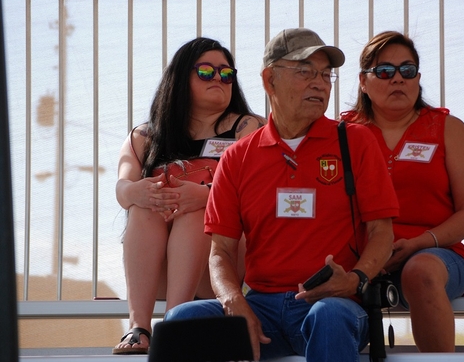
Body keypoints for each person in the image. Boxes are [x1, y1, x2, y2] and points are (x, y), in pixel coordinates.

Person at [164, 28, 400, 362]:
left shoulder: (356, 141)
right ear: (269, 79)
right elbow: (220, 252)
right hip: (262, 307)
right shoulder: (238, 156)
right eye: (305, 72)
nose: (320, 83)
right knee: (180, 321)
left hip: (333, 304)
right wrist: (235, 302)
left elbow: (381, 231)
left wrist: (355, 279)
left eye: (325, 74)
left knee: (329, 316)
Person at [113, 37, 265, 355]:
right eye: (207, 71)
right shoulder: (144, 137)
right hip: (162, 266)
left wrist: (208, 195)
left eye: (226, 74)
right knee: (143, 206)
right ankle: (139, 326)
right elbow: (122, 187)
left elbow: (257, 184)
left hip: (222, 264)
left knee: (198, 209)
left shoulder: (246, 127)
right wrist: (137, 191)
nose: (219, 79)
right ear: (181, 77)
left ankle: (174, 323)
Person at [341, 31, 464, 352]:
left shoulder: (447, 128)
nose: (398, 79)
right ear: (363, 81)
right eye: (384, 71)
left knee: (420, 271)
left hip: (434, 255)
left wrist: (421, 242)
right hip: (361, 259)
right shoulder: (342, 134)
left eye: (407, 71)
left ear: (418, 78)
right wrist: (370, 257)